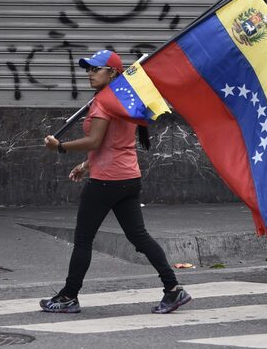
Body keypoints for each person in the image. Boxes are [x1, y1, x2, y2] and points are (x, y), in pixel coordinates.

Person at [40, 49, 190, 315]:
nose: (90, 73)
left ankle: (68, 296)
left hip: (106, 182)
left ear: (113, 73)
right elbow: (112, 144)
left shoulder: (104, 102)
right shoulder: (122, 99)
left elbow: (95, 141)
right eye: (88, 69)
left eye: (96, 69)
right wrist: (86, 165)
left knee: (83, 239)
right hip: (128, 178)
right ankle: (173, 288)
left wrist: (60, 146)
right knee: (139, 237)